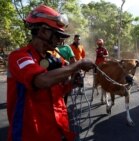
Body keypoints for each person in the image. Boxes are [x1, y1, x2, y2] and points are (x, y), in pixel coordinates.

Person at [7, 5, 94, 141]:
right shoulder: (20, 56)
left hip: (57, 131)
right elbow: (41, 81)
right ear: (43, 32)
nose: (60, 41)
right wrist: (79, 64)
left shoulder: (53, 57)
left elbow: (55, 92)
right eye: (57, 35)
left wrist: (71, 84)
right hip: (30, 134)